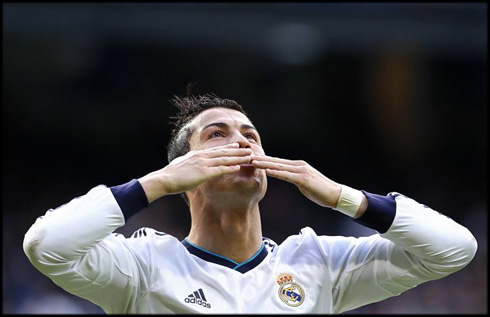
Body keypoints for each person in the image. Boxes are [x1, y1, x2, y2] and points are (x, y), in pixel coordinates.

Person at [23, 89, 477, 314]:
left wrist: (346, 199)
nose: (241, 143)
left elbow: (455, 249)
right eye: (216, 135)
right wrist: (156, 182)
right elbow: (47, 244)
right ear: (185, 171)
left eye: (250, 135)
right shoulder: (141, 268)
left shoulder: (319, 265)